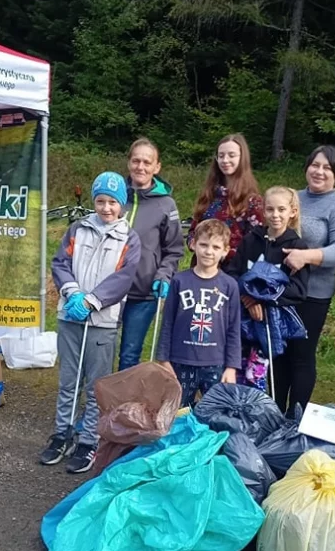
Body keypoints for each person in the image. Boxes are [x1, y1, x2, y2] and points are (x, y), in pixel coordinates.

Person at [41, 172, 141, 474]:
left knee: (96, 385)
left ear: (121, 204)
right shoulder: (77, 229)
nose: (106, 208)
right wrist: (72, 294)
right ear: (93, 201)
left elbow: (124, 277)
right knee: (68, 381)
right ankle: (63, 434)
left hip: (102, 322)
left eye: (112, 202)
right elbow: (60, 263)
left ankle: (89, 441)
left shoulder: (129, 238)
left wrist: (92, 300)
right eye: (100, 201)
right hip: (70, 316)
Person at [273, 145, 335, 414]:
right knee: (278, 354)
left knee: (301, 355)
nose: (319, 172)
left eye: (327, 168)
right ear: (307, 167)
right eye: (315, 165)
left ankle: (295, 416)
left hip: (313, 295)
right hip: (279, 291)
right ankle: (274, 412)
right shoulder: (293, 198)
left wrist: (307, 256)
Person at [226, 186, 310, 391]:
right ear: (263, 211)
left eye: (281, 210)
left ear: (292, 212)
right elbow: (232, 273)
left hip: (271, 325)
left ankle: (258, 417)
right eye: (270, 209)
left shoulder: (297, 247)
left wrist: (262, 300)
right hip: (242, 319)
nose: (276, 215)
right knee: (234, 372)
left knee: (258, 378)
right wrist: (247, 297)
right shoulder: (250, 240)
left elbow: (298, 290)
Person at [157, 219, 241, 408]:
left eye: (216, 247)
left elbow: (234, 329)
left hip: (215, 363)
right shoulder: (179, 281)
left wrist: (231, 367)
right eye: (203, 245)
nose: (209, 251)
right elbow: (167, 321)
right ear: (193, 244)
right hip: (181, 360)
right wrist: (163, 359)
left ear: (225, 251)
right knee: (176, 412)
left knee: (215, 414)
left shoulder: (230, 286)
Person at [117, 138, 184, 371]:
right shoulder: (114, 196)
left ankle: (123, 407)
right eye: (136, 160)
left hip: (144, 293)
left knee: (129, 355)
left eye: (147, 162)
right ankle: (99, 403)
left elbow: (174, 249)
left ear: (157, 167)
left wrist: (163, 275)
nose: (141, 167)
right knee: (100, 351)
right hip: (107, 291)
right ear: (129, 163)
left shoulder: (166, 204)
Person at [187, 133, 264, 265]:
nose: (225, 160)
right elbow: (193, 231)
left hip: (233, 272)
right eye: (221, 156)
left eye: (231, 155)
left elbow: (255, 243)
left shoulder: (252, 201)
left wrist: (222, 252)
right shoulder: (209, 194)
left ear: (242, 158)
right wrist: (194, 245)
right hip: (201, 270)